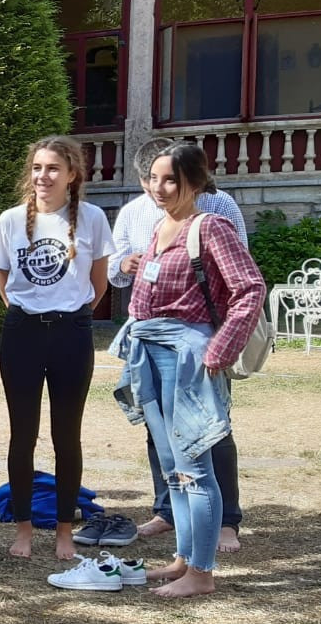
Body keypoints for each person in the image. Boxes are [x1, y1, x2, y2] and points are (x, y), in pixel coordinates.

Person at [111, 141, 265, 598]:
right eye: (154, 178)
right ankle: (183, 559)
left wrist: (218, 351)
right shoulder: (160, 226)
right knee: (173, 464)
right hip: (150, 354)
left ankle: (202, 573)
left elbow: (250, 289)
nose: (159, 187)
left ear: (195, 182)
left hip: (187, 356)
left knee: (195, 465)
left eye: (171, 179)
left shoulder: (210, 226)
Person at [0, 137, 114, 561]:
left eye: (53, 169)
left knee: (67, 436)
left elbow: (99, 284)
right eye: (38, 168)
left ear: (72, 175)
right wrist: (30, 313)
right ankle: (24, 529)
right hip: (22, 333)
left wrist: (69, 314)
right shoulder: (9, 220)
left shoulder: (93, 218)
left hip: (72, 334)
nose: (43, 176)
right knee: (21, 435)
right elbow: (3, 281)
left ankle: (64, 530)